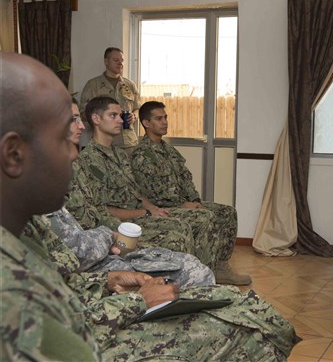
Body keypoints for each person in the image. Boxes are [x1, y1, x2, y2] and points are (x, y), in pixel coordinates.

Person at [0, 52, 299, 361]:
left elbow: (66, 283)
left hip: (99, 297)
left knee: (231, 302)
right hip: (100, 335)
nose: (75, 156)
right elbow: (74, 341)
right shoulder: (7, 283)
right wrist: (138, 301)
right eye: (63, 140)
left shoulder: (27, 224)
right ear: (13, 155)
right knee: (251, 327)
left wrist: (110, 280)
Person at [70, 96, 250, 285]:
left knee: (195, 221)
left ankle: (204, 275)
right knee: (180, 229)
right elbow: (103, 209)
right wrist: (146, 212)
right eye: (113, 115)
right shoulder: (89, 159)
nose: (121, 120)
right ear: (96, 119)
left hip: (139, 213)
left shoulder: (119, 154)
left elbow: (136, 192)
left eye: (119, 115)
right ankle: (187, 284)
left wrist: (153, 209)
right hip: (123, 223)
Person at [39, 100, 215, 288]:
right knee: (178, 240)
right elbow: (81, 239)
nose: (81, 126)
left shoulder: (103, 160)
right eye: (113, 116)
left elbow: (128, 196)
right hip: (104, 245)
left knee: (189, 252)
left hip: (108, 237)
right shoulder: (79, 164)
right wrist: (118, 232)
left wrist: (150, 209)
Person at [131, 100, 252, 285]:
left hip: (181, 204)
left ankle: (220, 266)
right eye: (159, 118)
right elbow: (153, 194)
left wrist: (195, 202)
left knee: (227, 212)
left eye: (165, 117)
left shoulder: (169, 151)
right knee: (206, 218)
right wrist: (184, 205)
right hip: (161, 209)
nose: (165, 122)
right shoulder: (141, 154)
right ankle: (202, 274)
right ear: (146, 123)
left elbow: (186, 180)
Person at [80, 47, 140, 153]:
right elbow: (83, 114)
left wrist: (134, 116)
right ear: (106, 61)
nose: (120, 63)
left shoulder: (129, 85)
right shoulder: (93, 85)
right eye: (116, 60)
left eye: (122, 61)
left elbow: (138, 108)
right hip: (103, 144)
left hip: (128, 143)